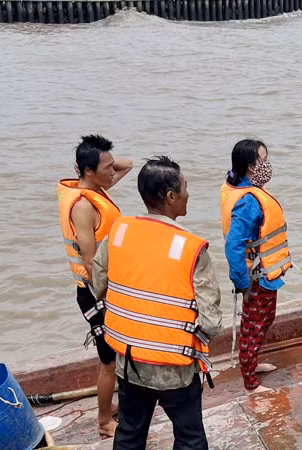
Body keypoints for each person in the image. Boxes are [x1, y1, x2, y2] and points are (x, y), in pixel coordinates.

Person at [92, 156, 222, 449]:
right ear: (171, 197)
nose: (189, 194)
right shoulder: (190, 247)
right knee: (189, 438)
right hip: (173, 366)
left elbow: (98, 284)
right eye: (185, 188)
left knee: (129, 433)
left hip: (129, 360)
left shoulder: (120, 231)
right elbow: (212, 323)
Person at [56, 134, 132, 437]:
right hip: (95, 292)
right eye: (106, 167)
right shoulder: (83, 206)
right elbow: (90, 262)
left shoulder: (94, 188)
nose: (113, 171)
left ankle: (112, 406)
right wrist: (110, 296)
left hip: (108, 288)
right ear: (88, 172)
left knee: (116, 355)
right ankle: (103, 421)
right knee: (109, 359)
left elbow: (129, 164)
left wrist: (105, 158)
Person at [220, 139, 292, 394]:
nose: (267, 163)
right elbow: (233, 246)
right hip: (255, 277)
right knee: (253, 326)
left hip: (266, 275)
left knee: (264, 319)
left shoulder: (245, 190)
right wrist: (241, 282)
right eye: (264, 159)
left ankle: (252, 363)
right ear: (251, 167)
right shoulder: (248, 200)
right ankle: (250, 382)